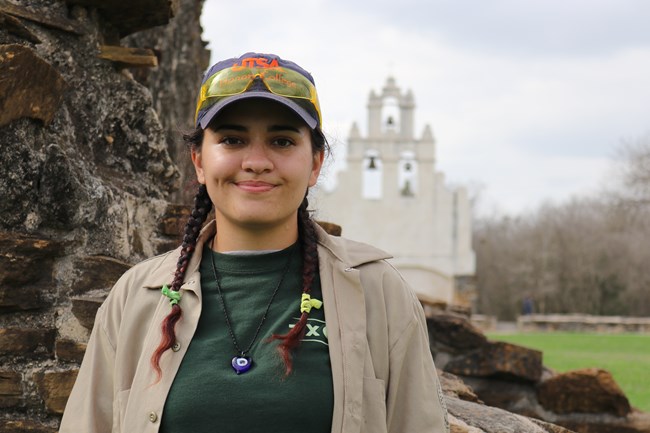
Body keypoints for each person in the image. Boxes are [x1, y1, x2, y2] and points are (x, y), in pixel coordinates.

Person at [60, 52, 449, 433]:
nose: (257, 161)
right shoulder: (137, 297)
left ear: (315, 164)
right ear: (198, 161)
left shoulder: (378, 294)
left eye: (281, 142)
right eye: (232, 140)